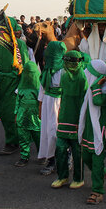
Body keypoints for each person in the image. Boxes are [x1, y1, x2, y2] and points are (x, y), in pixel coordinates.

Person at [0, 17, 29, 155]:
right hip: (2, 86)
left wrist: (23, 86)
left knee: (14, 114)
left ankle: (13, 142)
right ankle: (14, 138)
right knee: (4, 114)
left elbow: (25, 67)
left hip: (16, 83)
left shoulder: (20, 46)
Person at [78, 59, 106, 205]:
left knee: (97, 160)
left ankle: (97, 191)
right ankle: (103, 172)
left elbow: (98, 101)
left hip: (100, 130)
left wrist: (96, 86)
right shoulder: (90, 88)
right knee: (86, 156)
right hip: (89, 129)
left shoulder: (105, 88)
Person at [51, 50, 89, 190]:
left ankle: (79, 178)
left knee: (77, 150)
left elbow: (83, 101)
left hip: (77, 118)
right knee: (60, 148)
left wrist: (82, 121)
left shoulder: (82, 78)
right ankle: (62, 176)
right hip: (64, 117)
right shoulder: (64, 76)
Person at [38, 41, 67, 175]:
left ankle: (62, 159)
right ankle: (50, 159)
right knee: (47, 133)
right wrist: (40, 106)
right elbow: (42, 90)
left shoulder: (65, 71)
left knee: (55, 133)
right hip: (47, 105)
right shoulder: (47, 71)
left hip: (58, 105)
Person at [13, 61, 41, 167]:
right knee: (23, 137)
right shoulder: (21, 88)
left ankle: (42, 155)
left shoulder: (39, 88)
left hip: (36, 117)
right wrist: (16, 115)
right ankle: (24, 157)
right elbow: (17, 103)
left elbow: (41, 103)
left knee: (38, 137)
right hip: (22, 116)